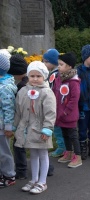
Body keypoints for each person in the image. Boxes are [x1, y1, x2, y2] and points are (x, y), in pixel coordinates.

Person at [14, 61, 56, 194]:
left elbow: (50, 112)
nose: (35, 79)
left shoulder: (47, 93)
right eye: (32, 76)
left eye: (38, 76)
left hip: (40, 129)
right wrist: (15, 126)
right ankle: (34, 179)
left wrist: (47, 129)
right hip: (28, 129)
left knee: (43, 154)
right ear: (28, 76)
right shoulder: (23, 91)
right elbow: (18, 110)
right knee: (33, 154)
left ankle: (42, 182)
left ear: (44, 76)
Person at [52, 52, 82, 168]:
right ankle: (68, 153)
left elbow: (74, 99)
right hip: (60, 113)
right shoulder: (59, 78)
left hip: (69, 114)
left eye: (61, 64)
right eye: (58, 64)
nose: (58, 66)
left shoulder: (73, 81)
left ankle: (77, 156)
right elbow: (55, 92)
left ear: (69, 66)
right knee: (65, 134)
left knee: (73, 135)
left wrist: (66, 111)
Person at [8, 54, 29, 180]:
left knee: (18, 145)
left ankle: (21, 170)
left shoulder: (21, 86)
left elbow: (18, 106)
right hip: (33, 120)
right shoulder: (29, 82)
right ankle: (48, 168)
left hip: (23, 120)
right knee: (34, 146)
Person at [43, 48, 66, 158]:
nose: (44, 64)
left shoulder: (54, 75)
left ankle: (61, 147)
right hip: (60, 105)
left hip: (55, 105)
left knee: (57, 127)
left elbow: (51, 91)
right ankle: (64, 146)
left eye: (46, 62)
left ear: (52, 62)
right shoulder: (58, 72)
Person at [0, 53, 17, 188]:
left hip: (2, 127)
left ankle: (9, 175)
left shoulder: (5, 87)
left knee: (4, 151)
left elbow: (9, 108)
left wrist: (8, 126)